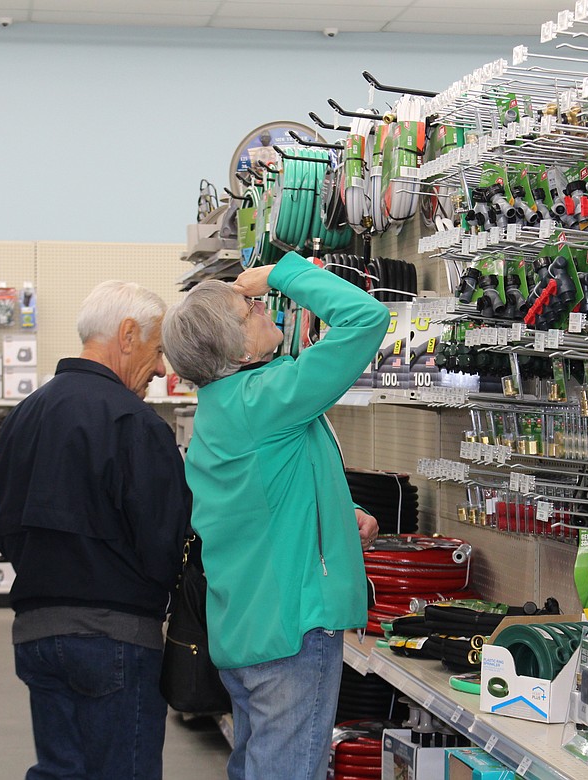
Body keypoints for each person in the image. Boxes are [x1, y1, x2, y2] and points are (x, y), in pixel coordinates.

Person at [161, 251, 388, 780]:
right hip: (292, 631)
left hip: (249, 625)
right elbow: (366, 318)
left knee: (258, 765)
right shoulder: (263, 400)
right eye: (251, 312)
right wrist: (285, 272)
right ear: (234, 347)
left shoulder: (230, 407)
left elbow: (260, 501)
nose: (265, 310)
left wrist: (340, 513)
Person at [0, 280, 191, 780]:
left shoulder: (23, 416)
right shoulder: (135, 424)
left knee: (61, 771)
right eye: (158, 349)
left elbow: (8, 526)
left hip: (35, 633)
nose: (163, 369)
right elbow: (164, 540)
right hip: (115, 637)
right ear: (127, 335)